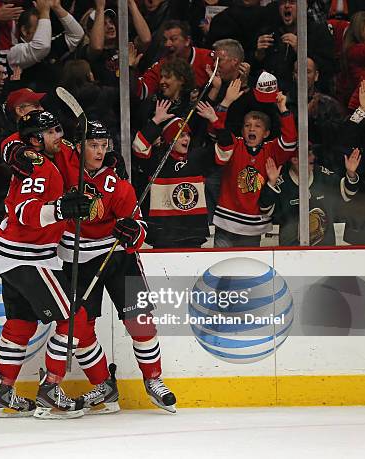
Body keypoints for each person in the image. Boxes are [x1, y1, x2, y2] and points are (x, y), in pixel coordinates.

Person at [60, 121, 177, 413]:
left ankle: (153, 380)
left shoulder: (117, 184)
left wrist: (134, 231)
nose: (99, 152)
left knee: (141, 321)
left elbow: (139, 228)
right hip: (76, 259)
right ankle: (103, 385)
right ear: (78, 146)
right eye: (92, 145)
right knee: (80, 329)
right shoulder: (62, 168)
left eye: (103, 146)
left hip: (116, 255)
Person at [0, 110, 95, 419]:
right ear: (36, 140)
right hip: (28, 256)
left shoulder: (44, 158)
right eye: (51, 132)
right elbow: (24, 211)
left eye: (59, 129)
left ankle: (3, 390)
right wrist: (60, 209)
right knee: (74, 317)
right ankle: (51, 387)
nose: (58, 136)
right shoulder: (37, 164)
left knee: (21, 324)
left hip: (12, 257)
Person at [196, 79, 297, 247]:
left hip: (253, 227)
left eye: (257, 126)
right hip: (226, 222)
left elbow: (290, 140)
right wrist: (226, 102)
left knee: (248, 272)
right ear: (242, 130)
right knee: (223, 270)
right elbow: (217, 133)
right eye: (247, 125)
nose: (251, 129)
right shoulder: (235, 145)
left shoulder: (271, 150)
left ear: (266, 133)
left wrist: (283, 110)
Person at [133, 101, 216, 248]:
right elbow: (139, 147)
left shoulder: (197, 157)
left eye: (187, 135)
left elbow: (226, 151)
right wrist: (156, 121)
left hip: (193, 235)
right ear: (169, 138)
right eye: (181, 135)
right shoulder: (157, 159)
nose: (186, 139)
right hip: (163, 235)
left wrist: (215, 121)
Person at [259, 146, 361, 246]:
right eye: (308, 154)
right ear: (294, 159)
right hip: (291, 251)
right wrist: (271, 183)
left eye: (312, 153)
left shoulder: (322, 175)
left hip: (325, 250)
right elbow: (265, 210)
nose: (313, 157)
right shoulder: (282, 182)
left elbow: (347, 194)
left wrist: (351, 174)